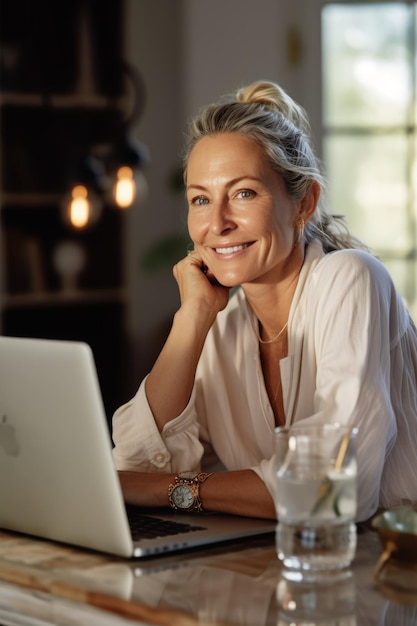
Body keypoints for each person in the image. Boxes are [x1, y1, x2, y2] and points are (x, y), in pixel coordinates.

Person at [112, 80, 417, 522]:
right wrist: (193, 317)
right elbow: (136, 468)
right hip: (278, 568)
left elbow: (333, 489)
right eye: (200, 199)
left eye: (243, 193)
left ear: (304, 203)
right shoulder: (222, 325)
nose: (217, 223)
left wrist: (171, 490)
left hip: (393, 573)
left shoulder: (350, 278)